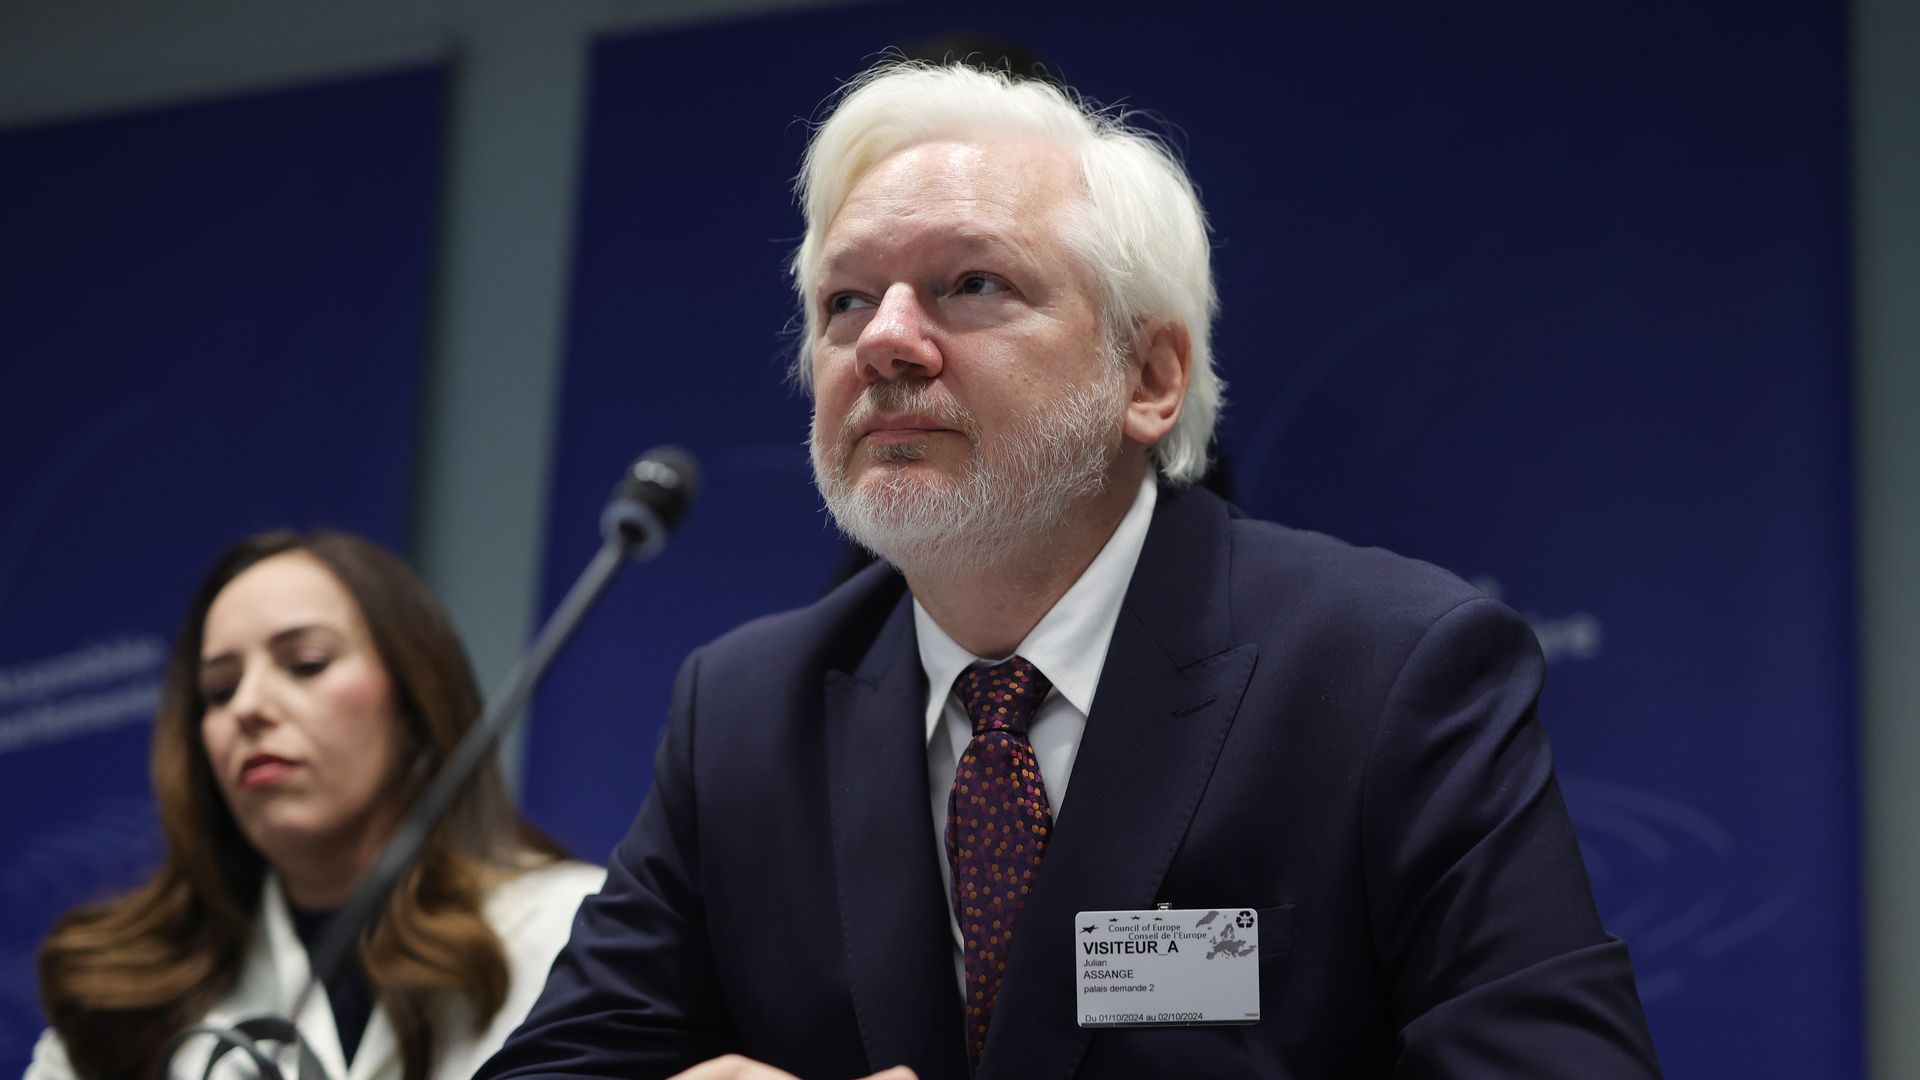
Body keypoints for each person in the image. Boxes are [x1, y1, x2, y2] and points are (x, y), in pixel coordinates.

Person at [479, 61, 1662, 1079]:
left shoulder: (1389, 667)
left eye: (971, 284)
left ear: (1147, 378)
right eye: (845, 300)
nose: (884, 338)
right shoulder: (742, 713)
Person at [31, 531, 605, 1080]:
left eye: (306, 664)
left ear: (412, 706)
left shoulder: (578, 931)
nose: (249, 707)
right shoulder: (125, 997)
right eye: (220, 690)